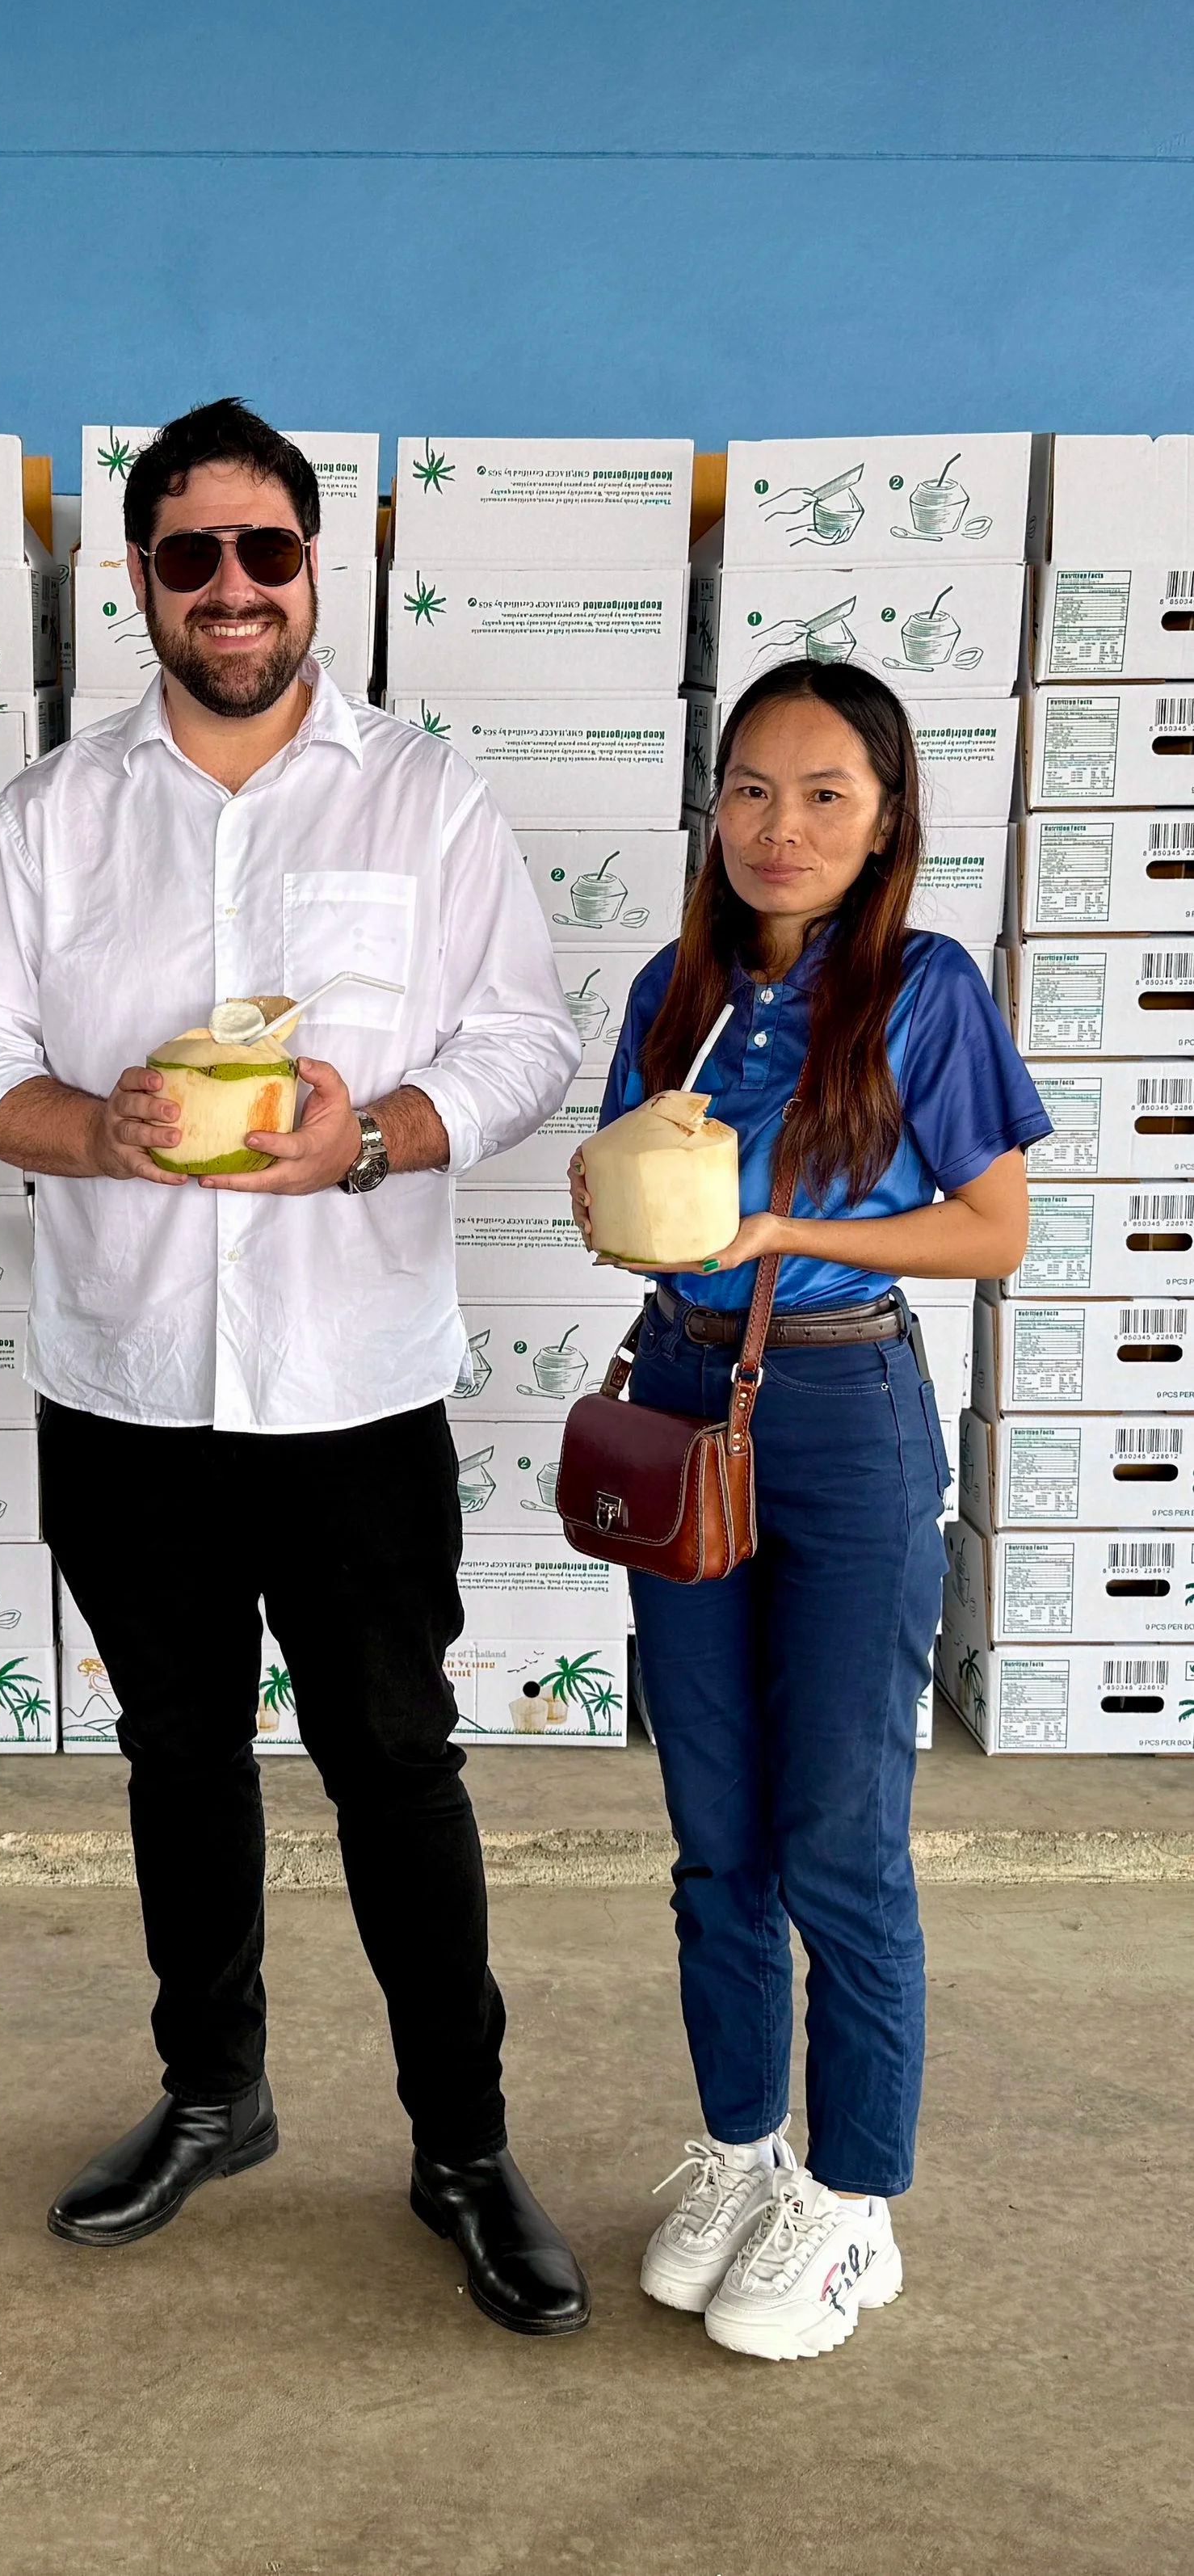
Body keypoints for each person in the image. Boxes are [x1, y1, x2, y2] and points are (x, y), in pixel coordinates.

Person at [0, 398, 591, 2335]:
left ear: (315, 568)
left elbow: (526, 1041)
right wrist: (91, 1125)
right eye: (187, 554)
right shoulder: (54, 811)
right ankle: (213, 2090)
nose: (229, 587)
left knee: (394, 1758)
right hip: (122, 1375)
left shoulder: (425, 797)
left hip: (353, 1378)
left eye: (262, 551)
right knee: (174, 1751)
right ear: (136, 580)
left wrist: (367, 1131)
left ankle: (460, 2137)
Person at [571, 661, 1046, 2363]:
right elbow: (634, 1203)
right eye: (751, 790)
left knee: (839, 1827)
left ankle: (851, 2200)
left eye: (823, 792)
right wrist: (612, 1195)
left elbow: (992, 1231)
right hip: (686, 1396)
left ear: (886, 817)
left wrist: (780, 1238)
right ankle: (735, 2147)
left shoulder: (917, 990)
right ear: (711, 808)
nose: (780, 827)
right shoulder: (672, 982)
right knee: (716, 1830)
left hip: (841, 1404)